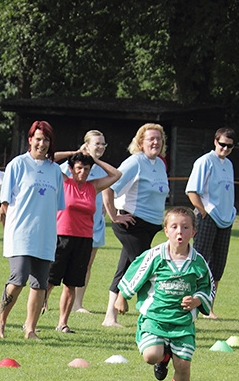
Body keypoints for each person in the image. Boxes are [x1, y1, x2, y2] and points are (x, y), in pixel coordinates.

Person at [114, 207, 215, 381]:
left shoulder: (198, 262)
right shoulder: (155, 256)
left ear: (193, 232)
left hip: (182, 323)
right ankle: (163, 356)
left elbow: (209, 286)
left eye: (186, 227)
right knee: (151, 356)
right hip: (155, 319)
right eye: (175, 227)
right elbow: (136, 271)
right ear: (166, 230)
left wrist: (198, 300)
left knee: (184, 364)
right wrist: (122, 296)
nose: (180, 232)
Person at [0, 121, 64, 340]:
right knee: (18, 278)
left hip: (46, 235)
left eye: (46, 140)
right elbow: (5, 203)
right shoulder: (17, 165)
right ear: (30, 140)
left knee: (40, 283)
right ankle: (0, 323)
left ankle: (30, 329)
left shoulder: (55, 171)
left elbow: (57, 205)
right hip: (20, 234)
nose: (42, 144)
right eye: (38, 139)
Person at [46, 150, 120, 333]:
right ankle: (33, 317)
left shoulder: (93, 186)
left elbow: (117, 174)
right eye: (79, 168)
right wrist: (74, 152)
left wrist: (95, 159)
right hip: (62, 237)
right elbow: (49, 159)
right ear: (71, 169)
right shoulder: (64, 182)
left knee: (71, 283)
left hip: (84, 240)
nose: (83, 172)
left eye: (86, 169)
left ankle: (62, 323)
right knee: (50, 280)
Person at [103, 123, 169, 328]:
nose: (155, 142)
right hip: (131, 224)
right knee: (146, 267)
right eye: (151, 139)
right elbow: (108, 187)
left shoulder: (160, 164)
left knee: (124, 268)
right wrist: (114, 215)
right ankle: (154, 315)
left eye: (159, 139)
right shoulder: (135, 162)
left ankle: (109, 317)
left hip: (150, 227)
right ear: (141, 142)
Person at [54, 130, 111, 314]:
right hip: (67, 225)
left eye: (103, 144)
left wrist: (111, 212)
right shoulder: (70, 166)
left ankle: (78, 303)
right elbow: (51, 163)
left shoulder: (100, 169)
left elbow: (110, 187)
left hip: (92, 225)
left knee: (85, 266)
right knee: (55, 271)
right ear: (86, 145)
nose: (101, 147)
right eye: (97, 144)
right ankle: (43, 301)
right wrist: (74, 154)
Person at [186, 127, 236, 319]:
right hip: (208, 218)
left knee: (218, 266)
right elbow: (192, 191)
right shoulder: (205, 161)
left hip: (225, 220)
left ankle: (208, 308)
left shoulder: (229, 164)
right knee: (200, 262)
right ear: (215, 142)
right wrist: (203, 212)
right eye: (222, 144)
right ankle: (192, 305)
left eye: (229, 146)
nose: (225, 149)